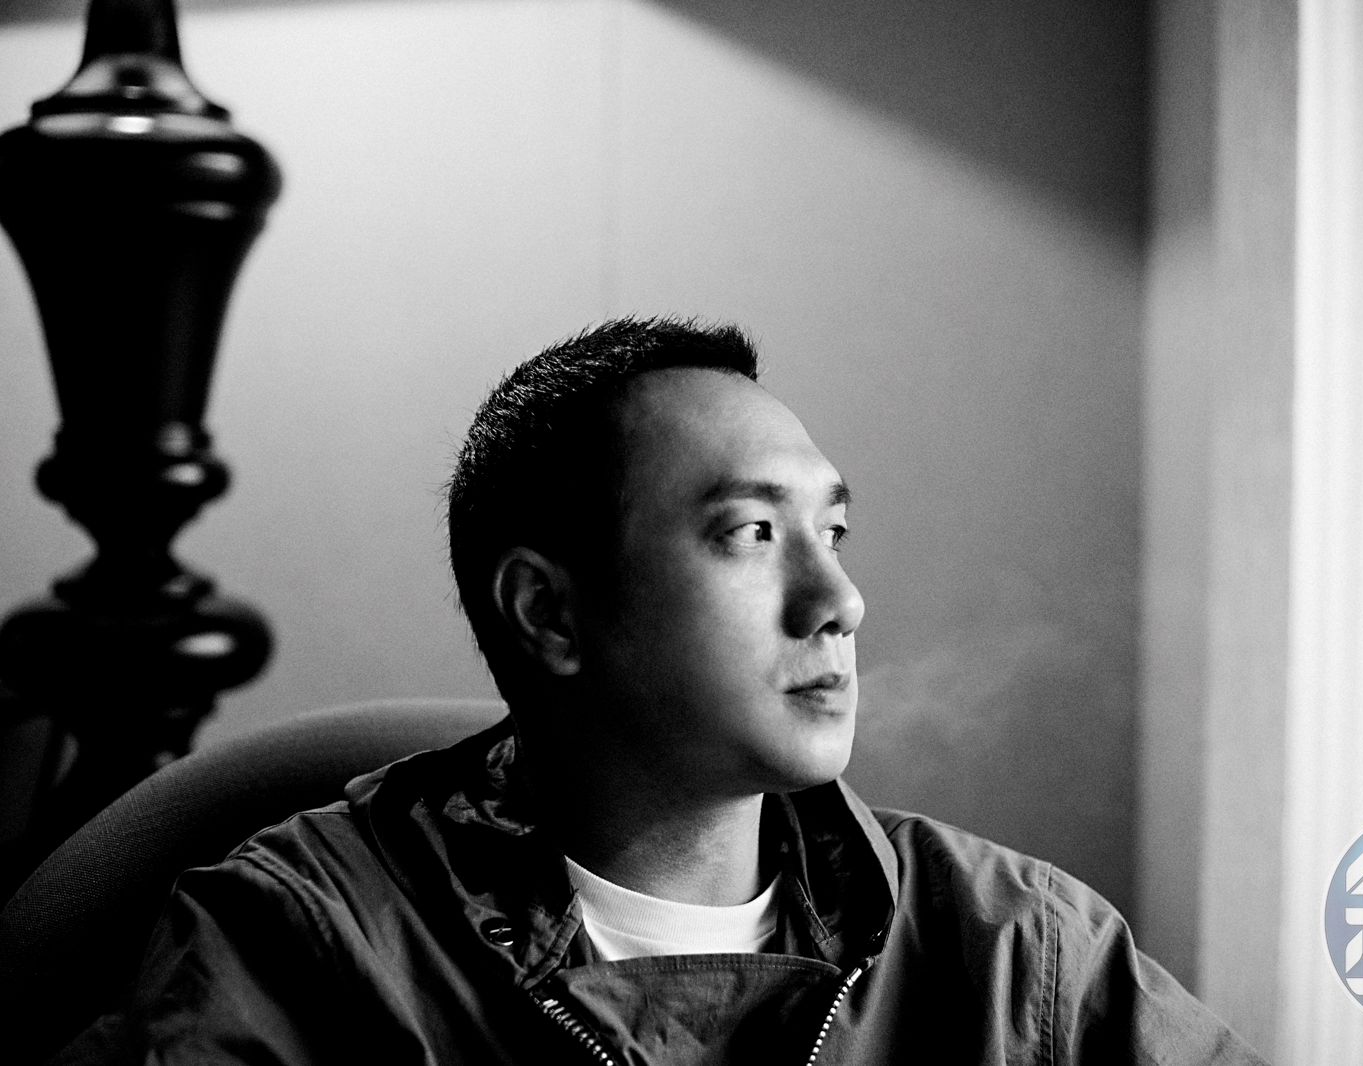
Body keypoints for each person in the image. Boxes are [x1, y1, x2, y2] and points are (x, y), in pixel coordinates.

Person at [97, 318, 1265, 1063]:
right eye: (752, 531)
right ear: (550, 613)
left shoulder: (1020, 957)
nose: (840, 599)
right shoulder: (299, 947)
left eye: (834, 531)